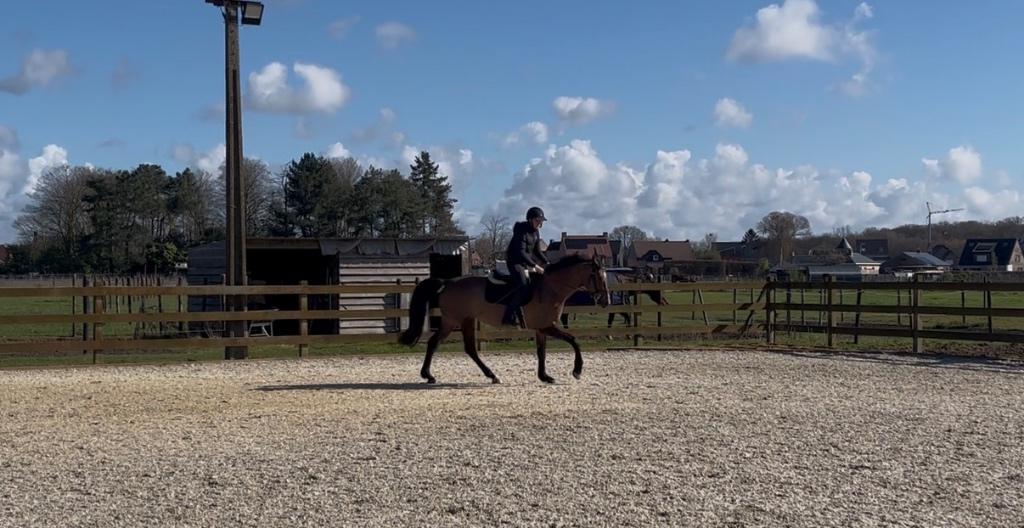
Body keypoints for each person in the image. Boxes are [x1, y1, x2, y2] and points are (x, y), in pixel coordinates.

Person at [502, 206, 549, 327]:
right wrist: (535, 266)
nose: (540, 224)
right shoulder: (521, 230)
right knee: (523, 285)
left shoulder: (536, 232)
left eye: (541, 222)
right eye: (538, 221)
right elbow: (521, 252)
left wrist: (548, 263)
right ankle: (508, 315)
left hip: (525, 263)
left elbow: (537, 251)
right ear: (530, 220)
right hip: (515, 262)